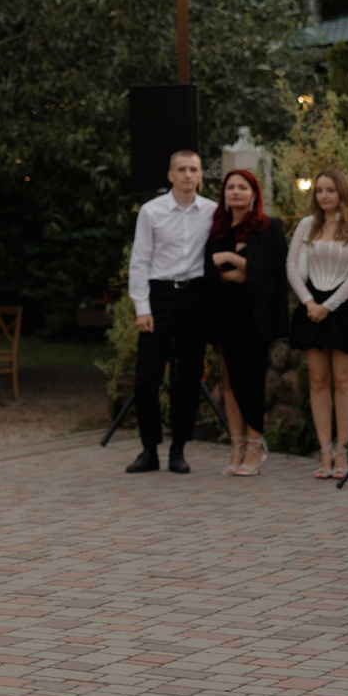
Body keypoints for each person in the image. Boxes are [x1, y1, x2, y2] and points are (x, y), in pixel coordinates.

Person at [125, 149, 215, 474]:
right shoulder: (151, 212)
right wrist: (142, 307)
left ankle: (179, 449)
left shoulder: (212, 212)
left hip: (194, 298)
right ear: (170, 174)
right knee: (147, 378)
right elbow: (139, 260)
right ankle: (149, 449)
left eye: (193, 169)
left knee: (187, 377)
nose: (188, 175)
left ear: (201, 175)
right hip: (159, 297)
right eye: (182, 169)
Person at [286, 168, 348, 480]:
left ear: (342, 194)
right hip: (312, 305)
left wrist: (329, 306)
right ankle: (323, 450)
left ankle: (342, 450)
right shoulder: (307, 226)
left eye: (330, 190)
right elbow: (292, 266)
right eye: (320, 191)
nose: (324, 196)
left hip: (345, 307)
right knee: (317, 380)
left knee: (343, 380)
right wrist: (310, 303)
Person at [204, 167, 289, 477]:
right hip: (225, 313)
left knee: (251, 381)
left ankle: (255, 445)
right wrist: (235, 270)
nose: (236, 192)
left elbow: (270, 273)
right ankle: (237, 446)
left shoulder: (269, 229)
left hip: (256, 316)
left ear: (254, 193)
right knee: (229, 381)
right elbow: (210, 271)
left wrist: (234, 263)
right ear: (224, 194)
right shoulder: (218, 231)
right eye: (231, 188)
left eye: (242, 187)